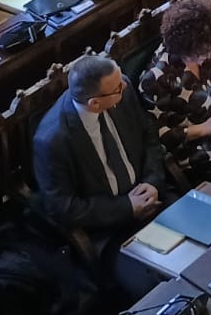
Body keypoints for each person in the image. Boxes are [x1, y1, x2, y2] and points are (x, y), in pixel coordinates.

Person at [33, 54, 171, 286]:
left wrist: (152, 181)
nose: (124, 85)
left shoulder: (122, 90)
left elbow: (148, 133)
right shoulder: (52, 140)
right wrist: (127, 207)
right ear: (94, 104)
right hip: (111, 232)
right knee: (156, 287)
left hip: (155, 202)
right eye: (118, 88)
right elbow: (62, 207)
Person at [137, 0, 211, 183]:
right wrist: (203, 129)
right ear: (181, 47)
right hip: (195, 154)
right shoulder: (155, 78)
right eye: (197, 54)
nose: (205, 57)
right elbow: (158, 136)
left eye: (208, 50)